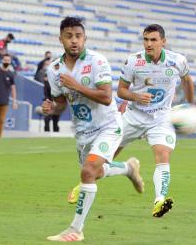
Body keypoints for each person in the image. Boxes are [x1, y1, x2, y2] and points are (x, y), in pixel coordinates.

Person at [43, 17, 143, 242]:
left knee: (87, 172)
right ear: (61, 39)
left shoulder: (97, 61)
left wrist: (77, 86)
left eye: (78, 36)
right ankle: (128, 168)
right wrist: (51, 108)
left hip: (108, 127)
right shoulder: (54, 69)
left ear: (85, 38)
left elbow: (107, 97)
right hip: (82, 132)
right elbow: (60, 104)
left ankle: (75, 230)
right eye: (69, 36)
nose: (74, 41)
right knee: (94, 173)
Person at [117, 24, 195, 217]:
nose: (148, 44)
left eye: (153, 40)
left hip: (161, 118)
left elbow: (187, 81)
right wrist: (136, 97)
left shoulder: (177, 61)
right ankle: (126, 169)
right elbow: (121, 90)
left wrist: (190, 105)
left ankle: (159, 200)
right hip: (134, 116)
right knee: (103, 157)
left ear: (163, 41)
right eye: (145, 39)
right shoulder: (133, 61)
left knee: (162, 154)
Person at [40, 59, 60, 132]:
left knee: (56, 121)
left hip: (57, 103)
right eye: (55, 65)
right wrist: (48, 101)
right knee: (47, 120)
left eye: (58, 65)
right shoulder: (48, 77)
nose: (57, 67)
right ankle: (46, 136)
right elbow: (46, 92)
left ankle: (56, 137)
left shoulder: (61, 78)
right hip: (49, 101)